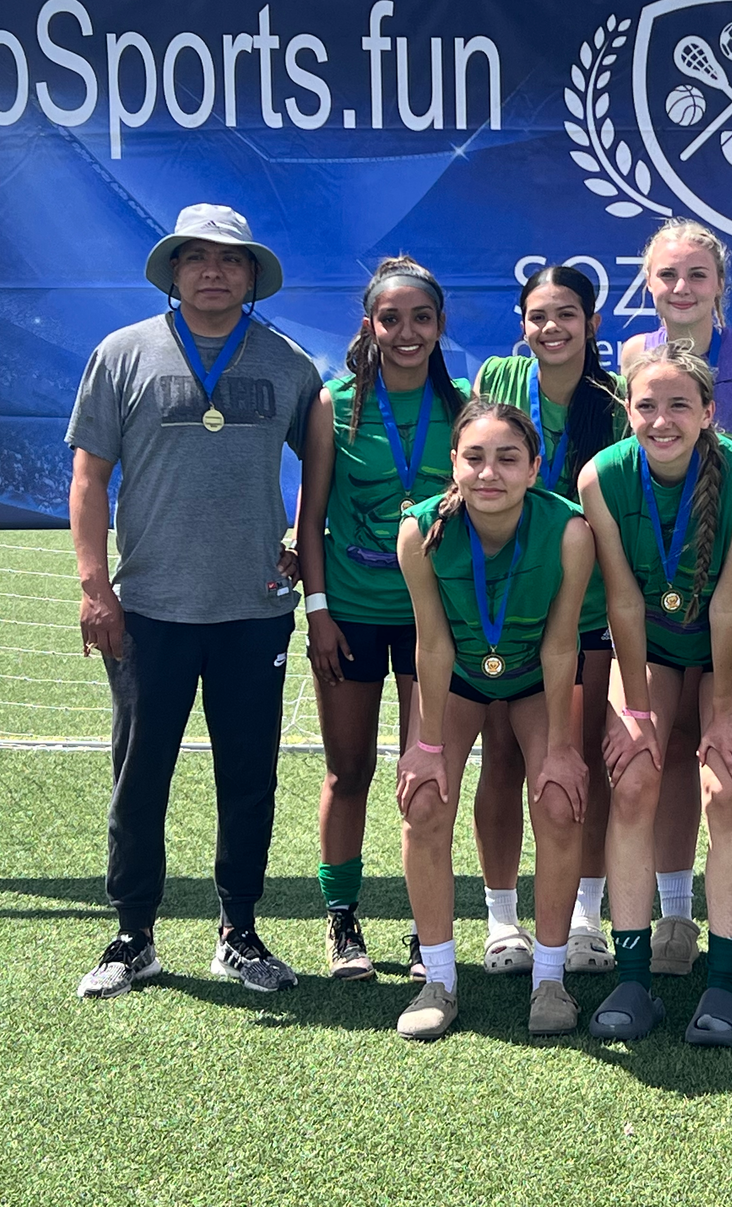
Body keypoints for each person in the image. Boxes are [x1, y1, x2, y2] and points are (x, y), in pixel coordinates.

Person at [69, 203, 321, 1000]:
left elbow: (322, 471)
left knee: (250, 776)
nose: (214, 271)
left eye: (232, 260)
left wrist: (298, 547)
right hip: (148, 609)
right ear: (173, 270)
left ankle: (237, 933)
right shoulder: (121, 355)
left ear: (252, 278)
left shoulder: (288, 364)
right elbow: (88, 479)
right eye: (197, 258)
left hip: (253, 610)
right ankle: (132, 935)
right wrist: (94, 586)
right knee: (140, 773)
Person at [576, 341, 732, 1046]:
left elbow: (729, 604)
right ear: (626, 410)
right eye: (647, 406)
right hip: (650, 643)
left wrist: (722, 713)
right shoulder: (601, 475)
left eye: (679, 406)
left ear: (710, 413)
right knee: (632, 781)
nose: (662, 420)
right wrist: (635, 712)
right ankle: (635, 979)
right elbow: (623, 603)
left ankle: (722, 987)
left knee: (726, 789)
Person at [619, 219, 732, 983]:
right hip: (659, 595)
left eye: (696, 274)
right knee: (669, 751)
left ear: (722, 283)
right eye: (667, 275)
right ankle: (676, 914)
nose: (681, 288)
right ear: (649, 283)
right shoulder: (631, 357)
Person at [392, 401, 595, 1041]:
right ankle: (439, 979)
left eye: (508, 458)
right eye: (474, 458)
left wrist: (561, 746)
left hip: (536, 675)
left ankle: (552, 979)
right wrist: (425, 745)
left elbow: (563, 645)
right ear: (453, 464)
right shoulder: (420, 531)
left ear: (535, 467)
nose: (490, 473)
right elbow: (432, 644)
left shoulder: (569, 531)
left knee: (560, 801)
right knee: (423, 801)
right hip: (459, 679)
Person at [294, 257, 467, 981]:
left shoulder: (463, 409)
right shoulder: (335, 404)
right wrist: (320, 613)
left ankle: (426, 932)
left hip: (433, 623)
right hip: (353, 614)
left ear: (439, 326)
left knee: (425, 775)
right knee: (350, 768)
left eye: (419, 318)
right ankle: (342, 922)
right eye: (390, 318)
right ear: (370, 325)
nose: (405, 332)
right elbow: (309, 521)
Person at [470, 266, 625, 977]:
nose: (551, 328)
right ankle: (502, 921)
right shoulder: (500, 378)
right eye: (538, 315)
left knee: (579, 761)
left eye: (567, 314)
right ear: (521, 323)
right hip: (499, 610)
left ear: (593, 324)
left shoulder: (618, 402)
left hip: (586, 609)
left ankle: (586, 916)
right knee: (501, 759)